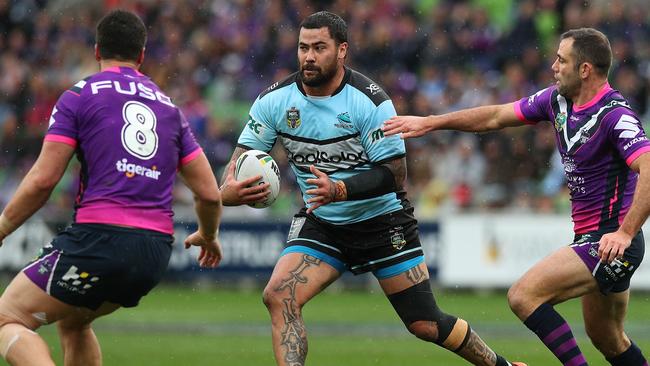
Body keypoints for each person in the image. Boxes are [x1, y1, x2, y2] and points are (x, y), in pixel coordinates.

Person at [220, 10, 525, 366]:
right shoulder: (274, 101)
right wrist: (229, 194)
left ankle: (500, 365)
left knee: (424, 323)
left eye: (319, 48)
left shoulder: (369, 101)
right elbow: (234, 170)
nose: (309, 57)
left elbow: (395, 174)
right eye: (303, 47)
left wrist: (340, 189)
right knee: (278, 295)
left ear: (342, 50)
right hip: (324, 221)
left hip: (382, 220)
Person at [383, 28, 650, 366]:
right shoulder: (556, 101)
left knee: (523, 296)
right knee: (608, 339)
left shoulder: (615, 115)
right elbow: (495, 116)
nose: (553, 65)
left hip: (611, 242)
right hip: (595, 239)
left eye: (562, 60)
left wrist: (625, 232)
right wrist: (432, 122)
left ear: (585, 69)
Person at [0, 10, 225, 365]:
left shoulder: (79, 95)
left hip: (99, 239)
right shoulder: (170, 108)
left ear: (95, 51)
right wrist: (209, 235)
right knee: (74, 321)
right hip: (153, 254)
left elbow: (43, 180)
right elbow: (210, 193)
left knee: (8, 318)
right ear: (141, 56)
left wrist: (2, 228)